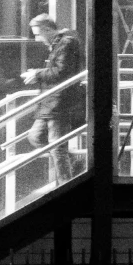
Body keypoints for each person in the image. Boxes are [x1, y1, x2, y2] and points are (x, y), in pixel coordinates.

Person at [20, 13, 84, 169]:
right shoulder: (61, 44)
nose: (37, 39)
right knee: (37, 138)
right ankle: (74, 164)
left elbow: (62, 73)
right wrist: (39, 74)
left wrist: (37, 74)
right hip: (52, 102)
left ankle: (67, 181)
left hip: (59, 103)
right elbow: (61, 71)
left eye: (38, 34)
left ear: (48, 30)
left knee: (56, 147)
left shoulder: (65, 44)